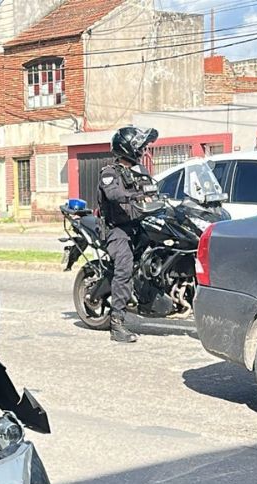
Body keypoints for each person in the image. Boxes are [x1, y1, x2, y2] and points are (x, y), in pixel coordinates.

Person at [97, 126, 159, 344]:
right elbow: (114, 194)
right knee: (124, 266)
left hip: (137, 224)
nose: (142, 151)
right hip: (116, 229)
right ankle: (117, 323)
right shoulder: (109, 172)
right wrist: (139, 194)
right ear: (127, 148)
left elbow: (154, 191)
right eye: (139, 147)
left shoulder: (139, 170)